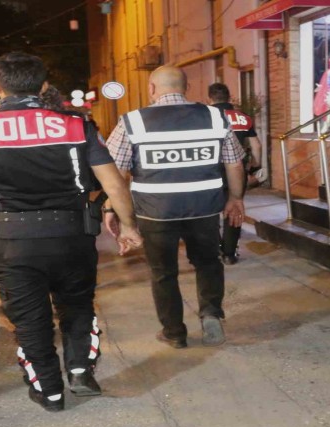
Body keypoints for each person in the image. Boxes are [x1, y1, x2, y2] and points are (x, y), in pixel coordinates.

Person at [0, 52, 142, 412]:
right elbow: (114, 183)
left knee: (30, 318)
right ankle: (80, 371)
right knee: (77, 305)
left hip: (10, 240)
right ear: (43, 85)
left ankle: (49, 390)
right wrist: (127, 225)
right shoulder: (77, 127)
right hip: (71, 236)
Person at [104, 66, 245, 349]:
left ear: (151, 89)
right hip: (204, 208)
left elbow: (114, 174)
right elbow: (234, 163)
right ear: (186, 88)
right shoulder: (215, 117)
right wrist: (235, 198)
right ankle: (211, 314)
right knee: (207, 262)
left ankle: (174, 332)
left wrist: (113, 209)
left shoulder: (133, 121)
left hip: (155, 212)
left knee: (163, 272)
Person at [207, 82, 262, 265]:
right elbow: (256, 145)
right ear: (229, 97)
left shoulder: (205, 117)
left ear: (210, 98)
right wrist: (255, 166)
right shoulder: (243, 117)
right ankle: (229, 253)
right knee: (235, 207)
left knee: (209, 211)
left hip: (211, 171)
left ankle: (215, 248)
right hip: (237, 170)